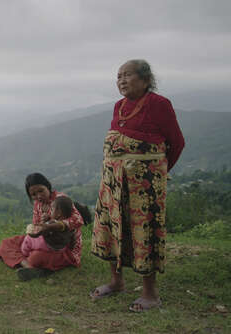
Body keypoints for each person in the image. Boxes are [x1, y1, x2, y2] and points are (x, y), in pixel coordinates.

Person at [91, 59, 185, 312]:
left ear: (145, 79)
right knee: (112, 227)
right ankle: (116, 281)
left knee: (145, 232)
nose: (120, 80)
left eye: (127, 75)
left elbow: (176, 143)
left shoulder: (159, 105)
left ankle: (150, 293)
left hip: (144, 186)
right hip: (112, 184)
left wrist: (157, 172)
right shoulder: (119, 106)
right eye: (118, 76)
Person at [0, 173, 86, 281]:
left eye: (41, 191)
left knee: (36, 257)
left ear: (48, 187)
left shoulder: (61, 199)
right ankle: (29, 266)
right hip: (43, 242)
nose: (38, 196)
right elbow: (37, 225)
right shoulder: (37, 204)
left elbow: (78, 220)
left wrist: (51, 226)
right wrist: (37, 229)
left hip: (63, 247)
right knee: (6, 243)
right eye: (34, 194)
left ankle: (30, 263)